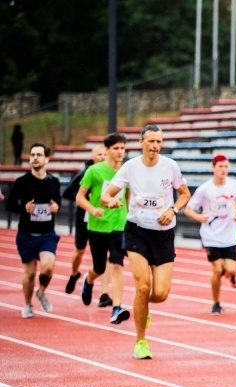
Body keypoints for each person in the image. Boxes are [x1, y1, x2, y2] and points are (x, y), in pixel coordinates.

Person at [100, 125, 191, 359]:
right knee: (142, 286)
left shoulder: (170, 166)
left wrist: (173, 210)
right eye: (151, 141)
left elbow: (184, 194)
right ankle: (141, 341)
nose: (155, 146)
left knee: (160, 293)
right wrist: (109, 201)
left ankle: (143, 306)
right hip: (136, 231)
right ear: (141, 143)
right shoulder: (130, 167)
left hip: (163, 234)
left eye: (159, 142)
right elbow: (106, 194)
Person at [75, 133, 131, 324]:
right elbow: (80, 197)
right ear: (106, 150)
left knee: (117, 264)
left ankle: (116, 308)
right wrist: (93, 209)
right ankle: (89, 280)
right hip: (97, 226)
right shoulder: (94, 171)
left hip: (118, 225)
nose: (120, 152)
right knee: (99, 267)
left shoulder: (127, 171)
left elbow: (128, 198)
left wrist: (129, 217)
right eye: (116, 148)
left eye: (122, 148)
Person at [5, 143, 62, 318]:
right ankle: (28, 304)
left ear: (47, 159)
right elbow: (10, 205)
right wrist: (24, 208)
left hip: (47, 234)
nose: (35, 157)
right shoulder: (22, 182)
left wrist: (56, 208)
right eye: (32, 155)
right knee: (30, 273)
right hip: (27, 234)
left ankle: (41, 291)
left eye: (39, 154)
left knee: (48, 268)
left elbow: (57, 203)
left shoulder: (54, 182)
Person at [184, 154, 236, 315]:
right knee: (217, 269)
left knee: (231, 269)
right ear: (213, 168)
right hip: (211, 235)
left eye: (226, 167)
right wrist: (199, 217)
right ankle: (216, 303)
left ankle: (226, 271)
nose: (223, 170)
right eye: (220, 167)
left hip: (230, 235)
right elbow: (188, 209)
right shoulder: (205, 189)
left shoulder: (235, 186)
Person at [63, 143, 112, 304]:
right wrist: (86, 198)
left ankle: (104, 294)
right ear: (92, 156)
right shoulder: (85, 173)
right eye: (99, 155)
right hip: (84, 219)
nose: (103, 158)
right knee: (80, 250)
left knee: (104, 257)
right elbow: (68, 192)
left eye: (105, 155)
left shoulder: (112, 174)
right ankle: (74, 274)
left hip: (104, 220)